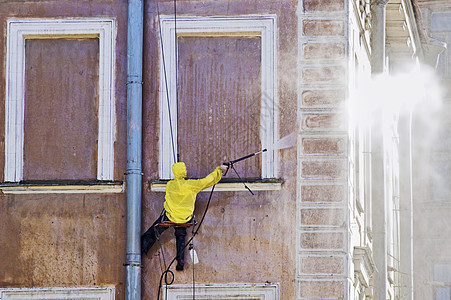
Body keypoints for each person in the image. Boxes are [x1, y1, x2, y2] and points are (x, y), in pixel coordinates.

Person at [141, 162, 228, 270]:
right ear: (181, 171)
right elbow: (207, 181)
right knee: (181, 235)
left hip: (171, 217)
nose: (186, 170)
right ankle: (180, 263)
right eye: (184, 169)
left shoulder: (170, 185)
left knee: (154, 230)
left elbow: (168, 200)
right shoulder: (191, 185)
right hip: (185, 218)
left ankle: (140, 249)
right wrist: (219, 170)